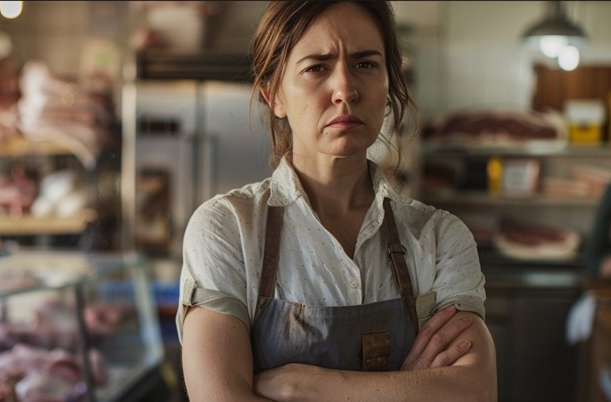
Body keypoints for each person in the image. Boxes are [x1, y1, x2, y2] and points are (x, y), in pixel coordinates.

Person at [176, 1, 497, 401]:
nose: (346, 89)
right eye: (317, 67)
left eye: (366, 64)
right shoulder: (228, 229)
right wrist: (407, 389)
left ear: (389, 83)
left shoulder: (441, 238)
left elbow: (474, 392)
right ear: (273, 95)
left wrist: (303, 385)